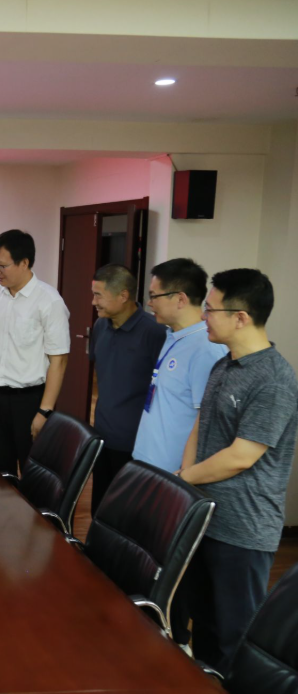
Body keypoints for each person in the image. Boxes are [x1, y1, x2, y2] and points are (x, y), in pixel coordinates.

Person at [180, 268, 297, 673]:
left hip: (244, 530)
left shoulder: (274, 380)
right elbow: (201, 425)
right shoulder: (224, 365)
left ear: (241, 317)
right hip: (205, 516)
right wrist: (187, 485)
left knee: (236, 637)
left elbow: (241, 456)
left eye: (211, 310)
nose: (203, 317)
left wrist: (182, 481)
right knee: (204, 625)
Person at [0, 230, 69, 475]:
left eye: (2, 265)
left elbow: (58, 361)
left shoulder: (49, 301)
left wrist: (44, 411)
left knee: (33, 472)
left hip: (29, 400)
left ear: (24, 263)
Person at [132, 258, 227, 473]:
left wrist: (186, 474)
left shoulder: (206, 348)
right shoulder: (173, 335)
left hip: (171, 472)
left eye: (154, 296)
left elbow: (207, 422)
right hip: (148, 460)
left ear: (180, 299)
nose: (149, 303)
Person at [86, 264, 166, 515]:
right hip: (102, 436)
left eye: (98, 295)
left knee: (126, 514)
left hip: (135, 444)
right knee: (100, 509)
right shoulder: (100, 327)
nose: (93, 302)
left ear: (123, 295)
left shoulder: (155, 332)